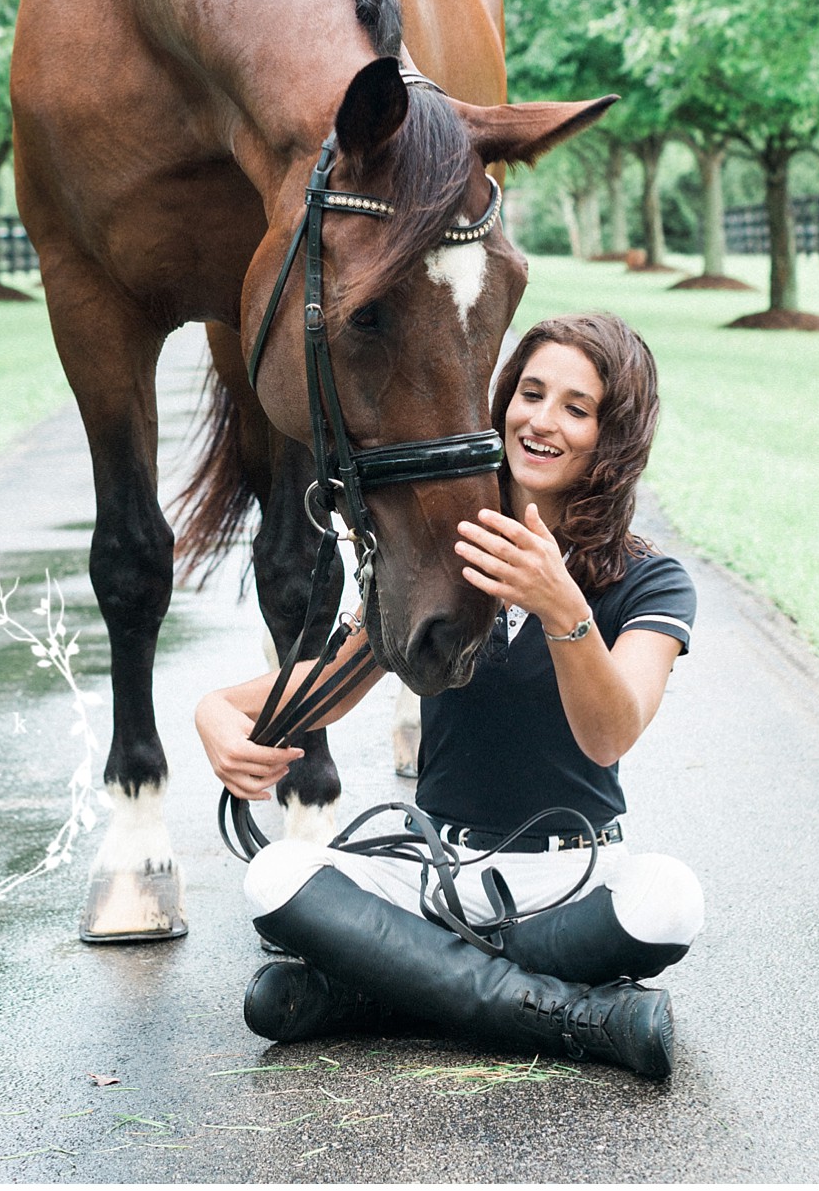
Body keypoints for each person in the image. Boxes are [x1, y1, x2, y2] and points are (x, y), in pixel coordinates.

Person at [194, 313, 704, 1078]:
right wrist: (221, 709)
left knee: (671, 899)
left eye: (575, 406)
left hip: (571, 878)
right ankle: (577, 1014)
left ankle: (373, 991)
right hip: (431, 871)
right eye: (528, 393)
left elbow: (611, 733)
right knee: (273, 878)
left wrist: (561, 606)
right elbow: (333, 685)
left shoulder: (649, 579)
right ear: (498, 406)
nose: (541, 420)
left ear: (613, 433)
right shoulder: (440, 550)